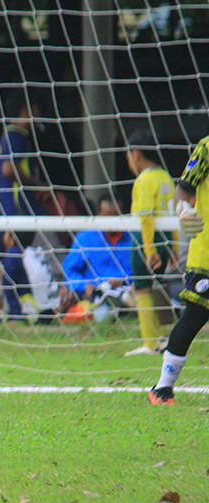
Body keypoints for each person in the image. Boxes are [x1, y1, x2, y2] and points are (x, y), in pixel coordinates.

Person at [148, 136, 209, 405]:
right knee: (195, 315)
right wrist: (184, 209)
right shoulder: (206, 147)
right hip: (206, 254)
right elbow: (183, 188)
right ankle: (162, 387)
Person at [124, 130, 175, 355]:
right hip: (166, 237)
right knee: (151, 287)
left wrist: (148, 249)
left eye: (127, 156)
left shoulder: (144, 179)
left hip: (146, 238)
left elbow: (145, 216)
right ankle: (159, 339)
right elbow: (173, 214)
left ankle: (149, 343)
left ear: (135, 154)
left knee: (142, 289)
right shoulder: (165, 176)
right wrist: (174, 247)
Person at [60, 206, 133, 322]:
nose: (110, 223)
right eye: (105, 217)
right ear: (98, 215)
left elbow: (144, 269)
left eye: (114, 218)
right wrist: (85, 286)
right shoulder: (85, 237)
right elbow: (69, 272)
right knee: (102, 316)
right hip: (97, 293)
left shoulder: (134, 237)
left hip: (128, 289)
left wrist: (129, 280)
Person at [0, 90, 51, 218]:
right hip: (19, 208)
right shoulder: (16, 135)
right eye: (36, 109)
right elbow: (8, 169)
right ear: (27, 109)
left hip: (11, 208)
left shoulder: (9, 135)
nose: (38, 114)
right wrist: (39, 185)